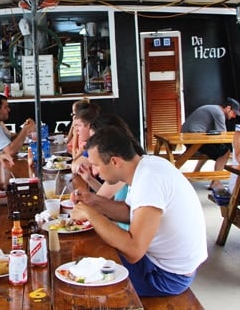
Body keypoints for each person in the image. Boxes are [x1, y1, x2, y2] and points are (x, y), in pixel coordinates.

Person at [70, 126, 207, 297]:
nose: (95, 172)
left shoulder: (149, 180)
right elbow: (129, 212)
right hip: (161, 264)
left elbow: (133, 251)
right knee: (90, 253)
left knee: (80, 278)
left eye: (96, 165)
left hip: (165, 276)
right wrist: (94, 201)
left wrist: (92, 215)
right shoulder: (147, 165)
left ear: (115, 161)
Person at [181, 97, 240, 189]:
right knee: (225, 152)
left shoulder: (213, 108)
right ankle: (216, 182)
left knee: (211, 150)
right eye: (234, 113)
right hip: (194, 138)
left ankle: (195, 172)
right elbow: (223, 136)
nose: (234, 116)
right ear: (228, 108)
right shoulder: (219, 113)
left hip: (188, 137)